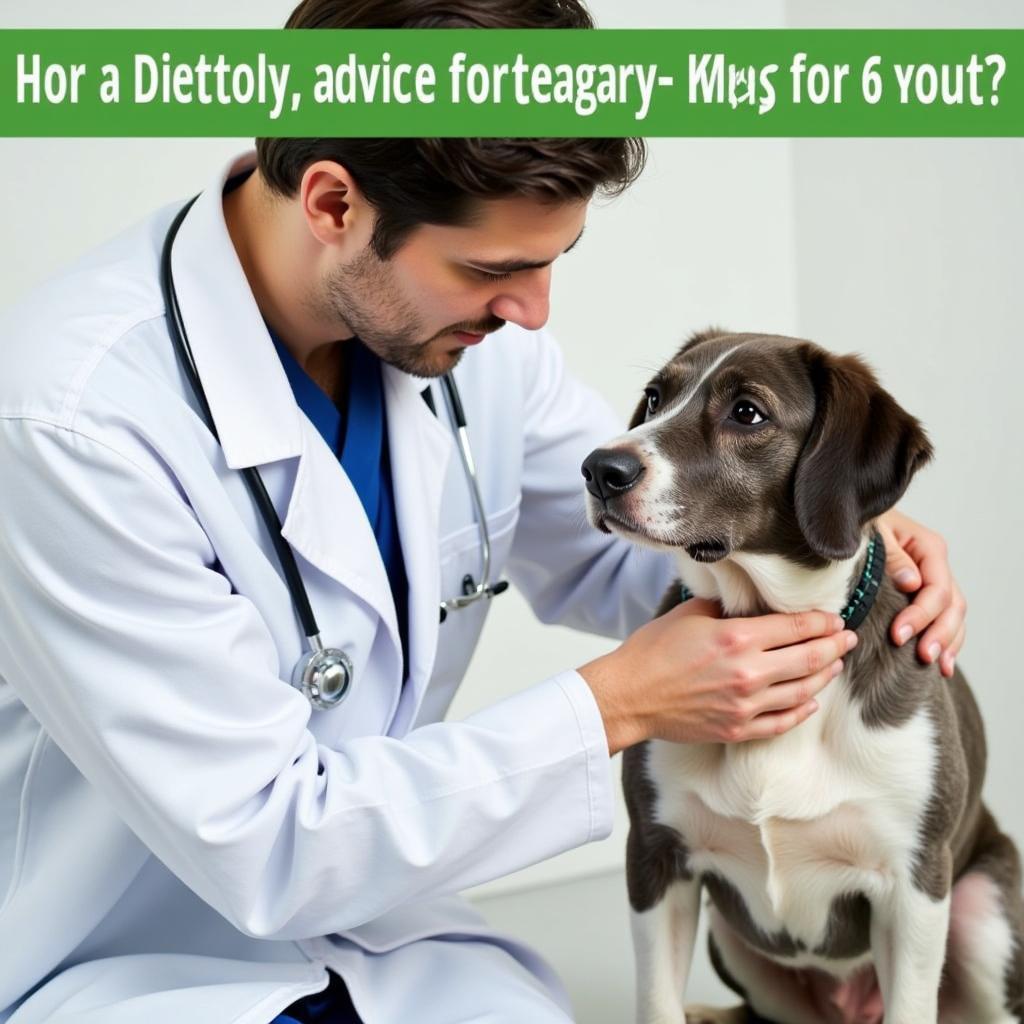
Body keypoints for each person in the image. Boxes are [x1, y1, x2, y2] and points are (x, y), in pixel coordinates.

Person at [0, 1, 966, 1022]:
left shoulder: (463, 344)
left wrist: (840, 553)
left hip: (383, 939)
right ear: (333, 203)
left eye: (550, 262)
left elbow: (622, 559)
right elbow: (265, 839)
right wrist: (615, 705)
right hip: (128, 961)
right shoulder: (73, 421)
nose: (533, 312)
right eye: (493, 268)